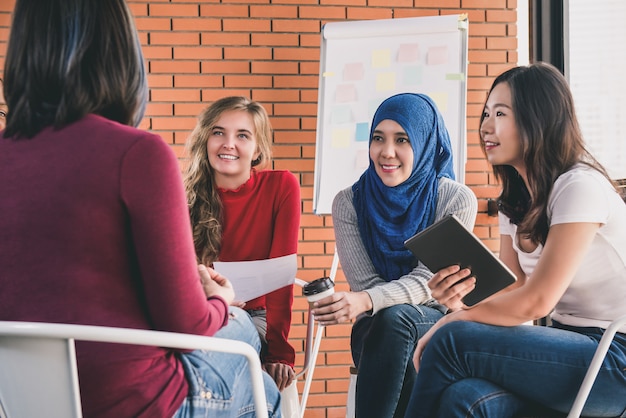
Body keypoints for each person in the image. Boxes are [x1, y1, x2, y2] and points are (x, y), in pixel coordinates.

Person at [0, 1, 281, 417]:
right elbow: (186, 329)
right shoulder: (138, 155)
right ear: (119, 51)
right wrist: (220, 299)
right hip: (135, 403)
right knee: (253, 360)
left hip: (24, 403)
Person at [404, 62, 626, 418]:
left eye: (501, 113)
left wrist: (453, 322)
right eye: (486, 113)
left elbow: (536, 301)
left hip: (614, 362)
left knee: (450, 339)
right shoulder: (517, 200)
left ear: (538, 119)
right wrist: (458, 304)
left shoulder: (579, 187)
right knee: (462, 398)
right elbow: (512, 287)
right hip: (567, 348)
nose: (485, 127)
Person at [311, 93, 478, 418]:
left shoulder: (455, 199)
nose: (387, 152)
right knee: (390, 324)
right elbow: (366, 283)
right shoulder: (348, 203)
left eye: (402, 139)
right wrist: (365, 301)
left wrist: (365, 300)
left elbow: (430, 282)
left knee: (397, 322)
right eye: (378, 139)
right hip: (375, 330)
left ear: (425, 141)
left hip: (437, 319)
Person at [184, 96, 301, 392]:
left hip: (253, 316)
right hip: (200, 308)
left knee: (216, 342)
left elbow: (279, 277)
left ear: (258, 149)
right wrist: (213, 298)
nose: (228, 143)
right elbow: (177, 275)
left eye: (243, 135)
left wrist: (279, 352)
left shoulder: (281, 187)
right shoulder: (182, 195)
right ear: (205, 139)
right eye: (218, 132)